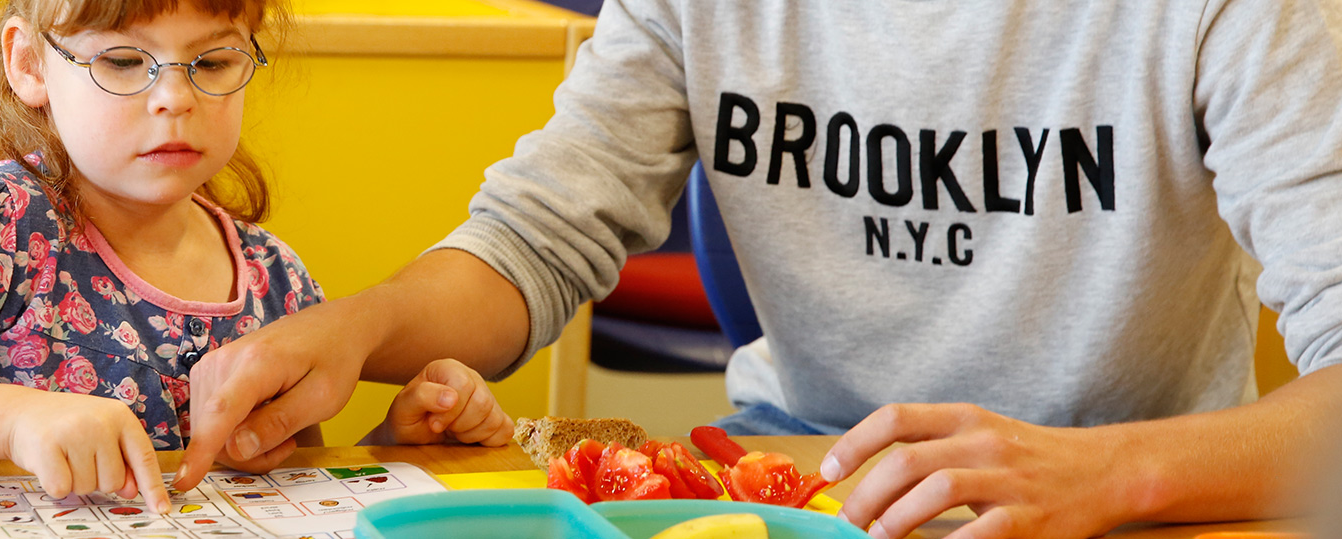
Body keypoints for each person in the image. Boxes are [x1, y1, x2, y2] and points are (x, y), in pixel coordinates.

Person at [174, 0, 1342, 536]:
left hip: (1148, 503)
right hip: (796, 485)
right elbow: (532, 241)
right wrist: (354, 329)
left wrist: (1107, 475)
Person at [0, 0, 513, 514]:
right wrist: (14, 420)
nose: (174, 98)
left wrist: (393, 445)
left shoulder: (273, 277)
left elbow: (284, 486)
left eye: (213, 62)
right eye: (124, 61)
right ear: (30, 65)